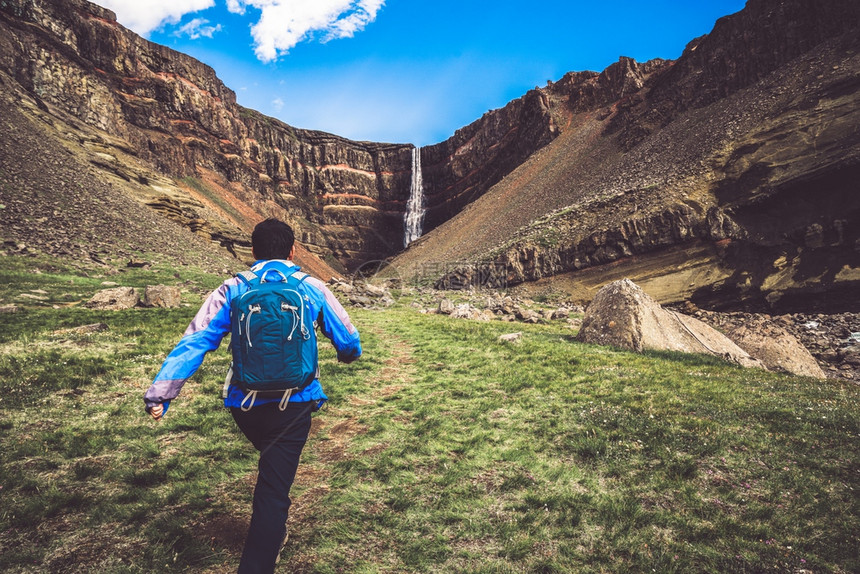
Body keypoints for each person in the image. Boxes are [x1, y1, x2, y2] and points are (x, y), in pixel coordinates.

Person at [143, 218, 362, 573]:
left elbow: (196, 340)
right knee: (273, 488)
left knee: (273, 465)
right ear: (293, 251)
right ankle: (262, 553)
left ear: (252, 252)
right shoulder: (313, 287)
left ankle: (272, 524)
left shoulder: (232, 288)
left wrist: (161, 393)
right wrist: (349, 355)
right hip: (295, 404)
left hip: (244, 405)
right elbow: (349, 340)